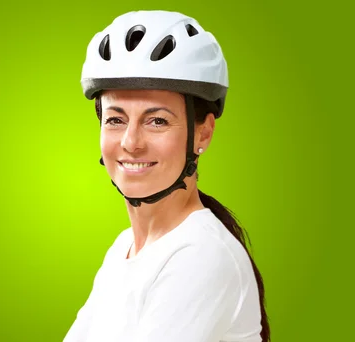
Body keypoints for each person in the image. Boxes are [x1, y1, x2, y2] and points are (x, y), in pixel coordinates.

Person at [62, 10, 270, 342]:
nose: (131, 142)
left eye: (156, 120)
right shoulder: (123, 250)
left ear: (202, 133)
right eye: (116, 119)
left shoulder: (201, 256)